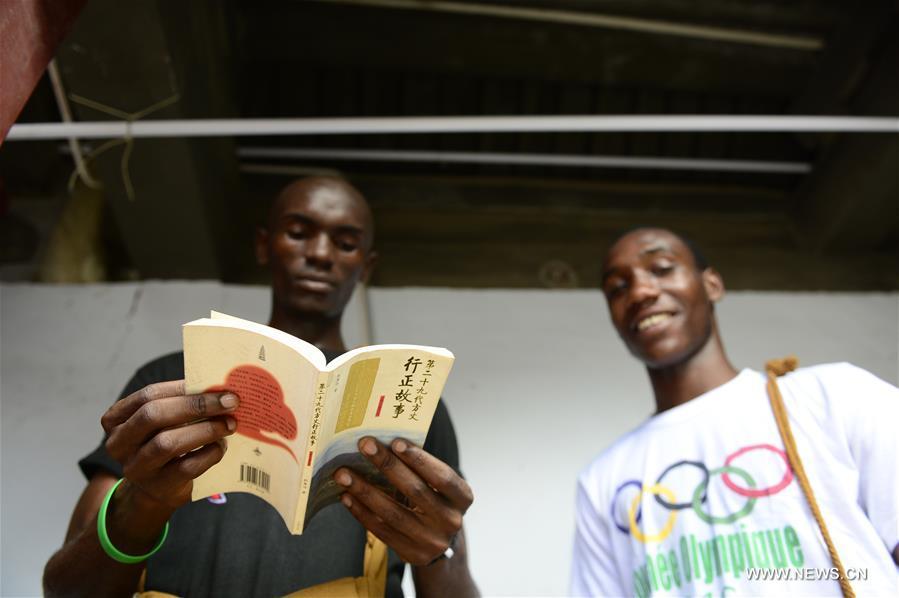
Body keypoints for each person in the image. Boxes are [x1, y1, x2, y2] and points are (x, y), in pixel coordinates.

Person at [43, 177, 479, 597]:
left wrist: (440, 553)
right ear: (262, 245)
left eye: (346, 244)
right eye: (298, 233)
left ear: (366, 266)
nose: (321, 254)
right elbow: (66, 591)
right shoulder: (171, 380)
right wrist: (139, 507)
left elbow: (451, 572)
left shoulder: (414, 406)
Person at [570, 227, 899, 597]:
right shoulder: (602, 480)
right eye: (617, 288)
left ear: (712, 285)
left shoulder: (834, 397)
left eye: (661, 268)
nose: (640, 292)